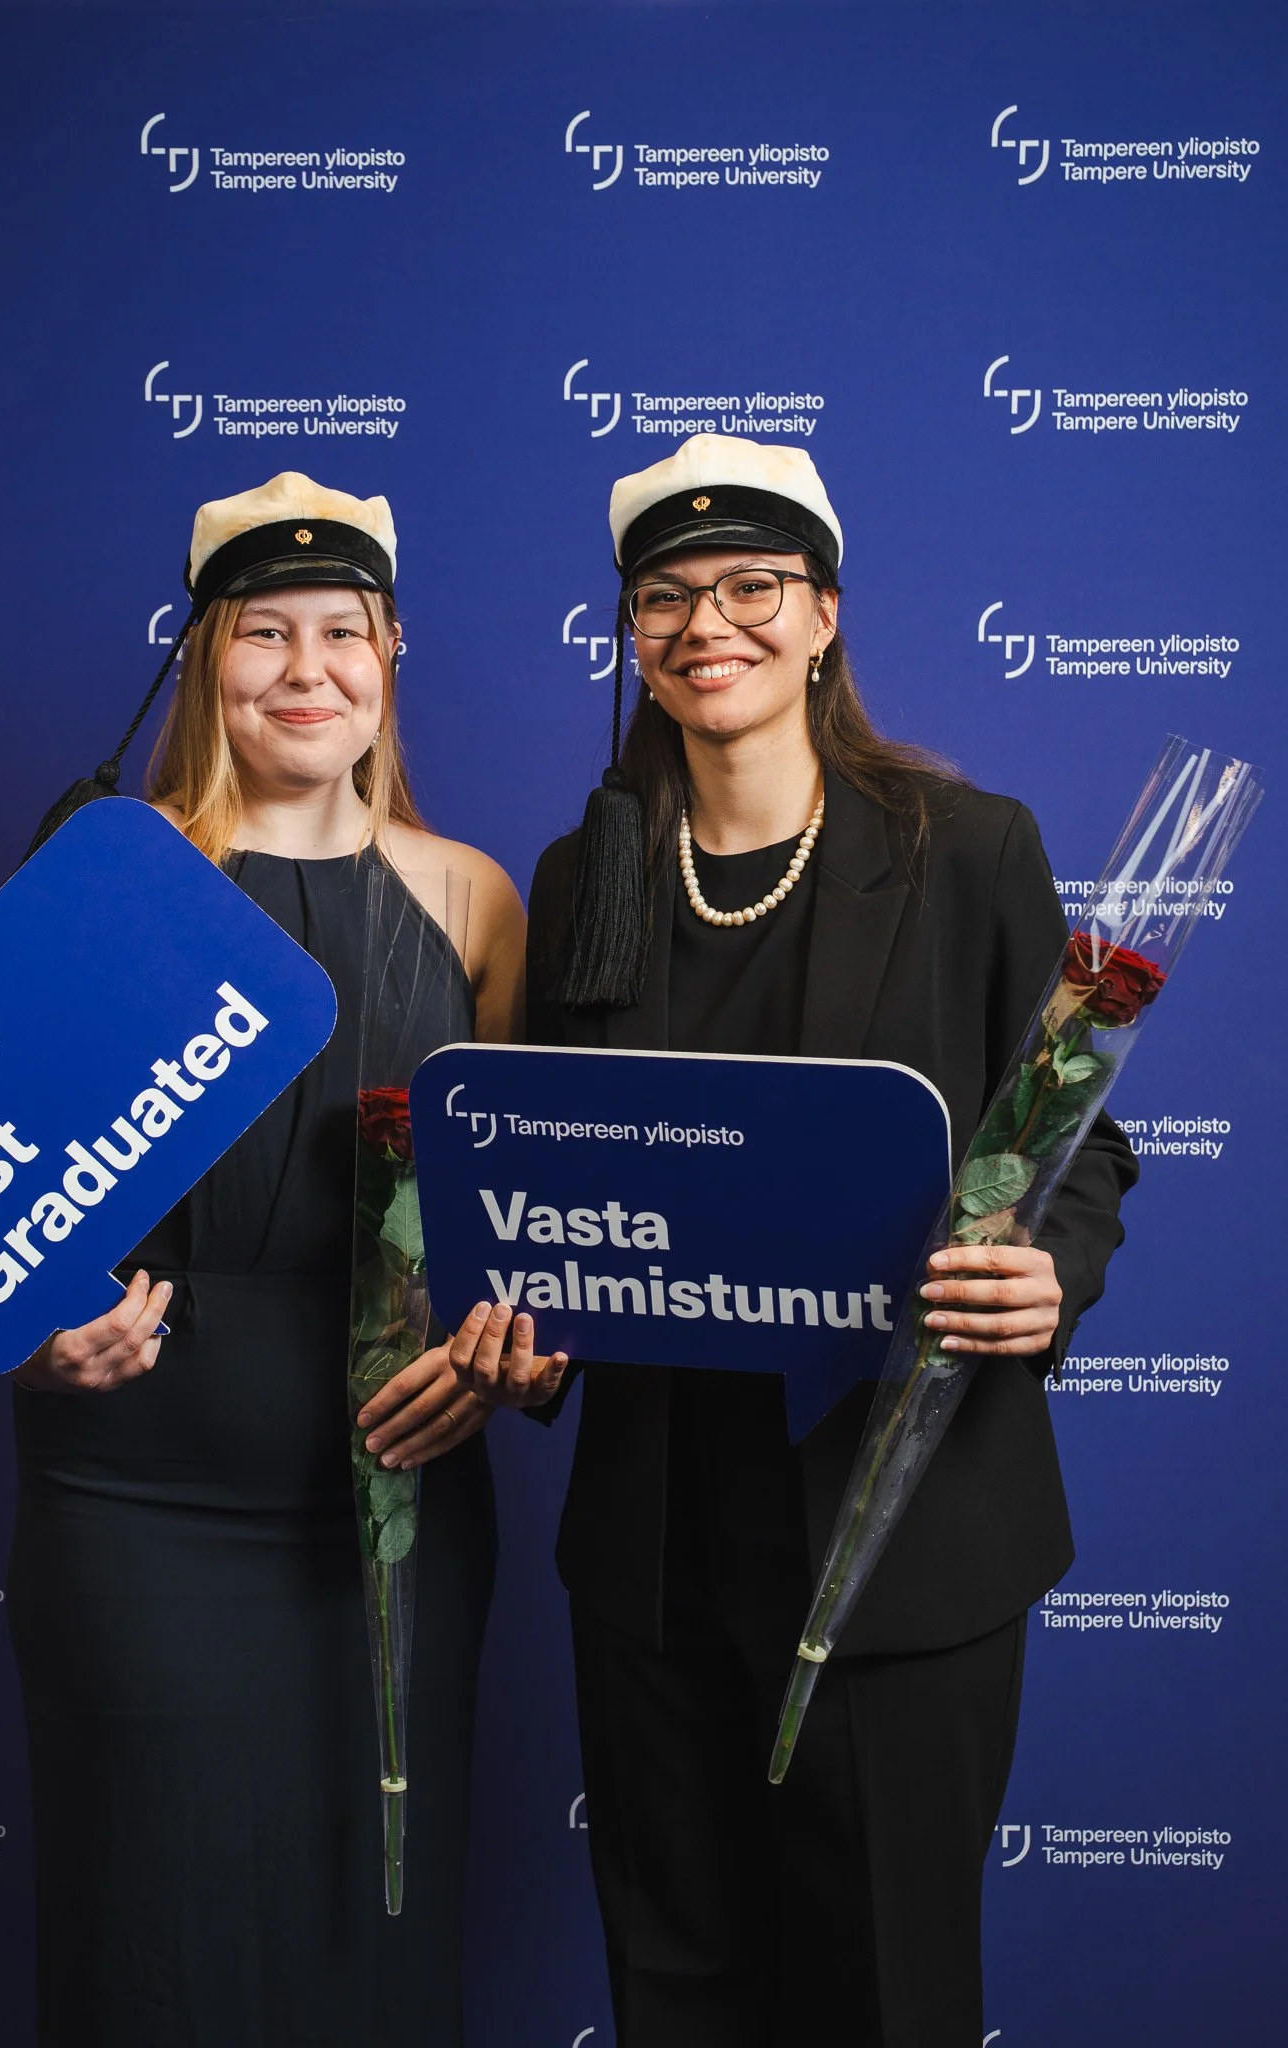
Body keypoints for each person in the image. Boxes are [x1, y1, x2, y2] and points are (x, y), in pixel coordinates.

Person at [460, 435, 1138, 2046]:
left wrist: (1045, 1279)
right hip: (654, 1545)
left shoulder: (966, 849)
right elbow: (548, 1191)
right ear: (632, 635)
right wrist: (519, 1330)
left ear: (822, 613)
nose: (709, 624)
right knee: (676, 1985)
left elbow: (1078, 1144)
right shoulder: (586, 873)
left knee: (884, 1991)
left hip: (903, 1532)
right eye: (665, 598)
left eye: (751, 587)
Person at [5, 472, 528, 2047]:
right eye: (264, 634)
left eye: (343, 633)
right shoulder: (107, 873)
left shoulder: (474, 897)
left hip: (395, 1502)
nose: (307, 671)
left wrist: (502, 1350)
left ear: (390, 656)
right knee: (154, 1936)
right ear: (198, 663)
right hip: (135, 1501)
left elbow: (516, 1226)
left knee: (366, 1921)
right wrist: (39, 1320)